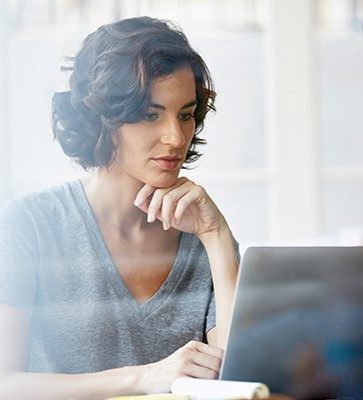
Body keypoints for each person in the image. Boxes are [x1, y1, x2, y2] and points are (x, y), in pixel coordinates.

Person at [0, 16, 239, 399]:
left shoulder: (202, 234)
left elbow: (237, 380)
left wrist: (217, 237)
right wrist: (144, 378)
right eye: (150, 114)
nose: (175, 137)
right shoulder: (28, 225)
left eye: (185, 114)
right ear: (102, 118)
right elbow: (4, 385)